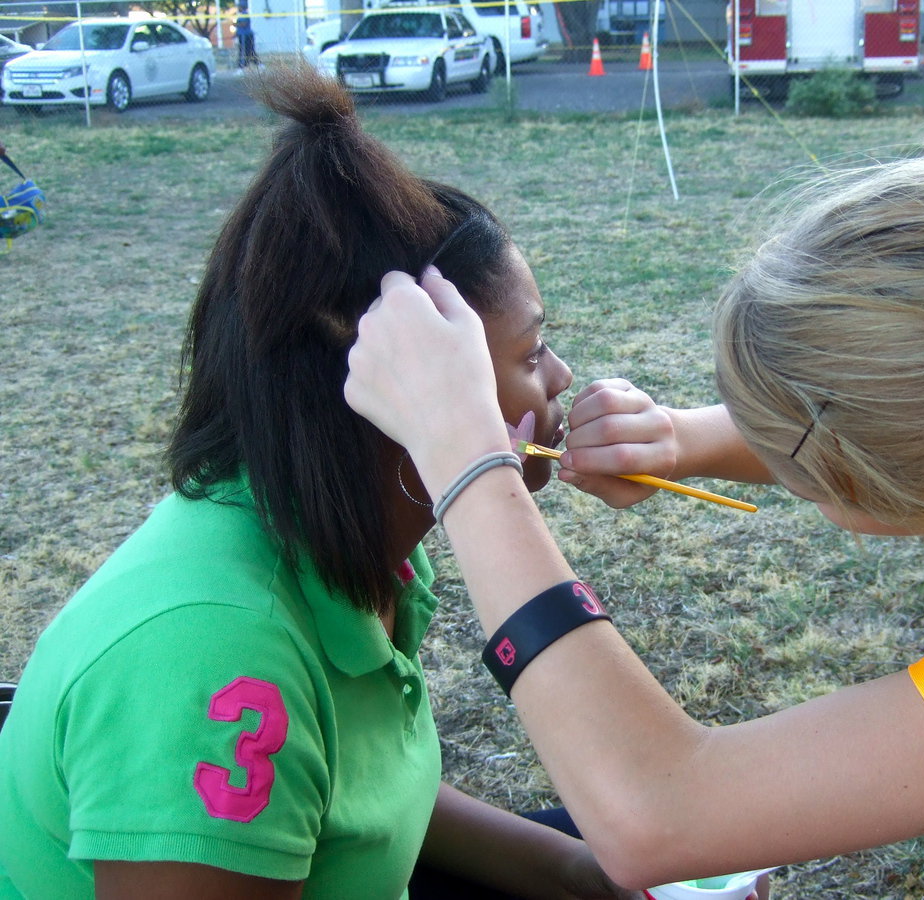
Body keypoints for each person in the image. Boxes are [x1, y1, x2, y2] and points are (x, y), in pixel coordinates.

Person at [344, 106, 924, 897]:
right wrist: (681, 438)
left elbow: (661, 812)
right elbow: (891, 431)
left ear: (921, 464)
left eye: (792, 425)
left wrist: (467, 459)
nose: (761, 438)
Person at [0, 65, 635, 900]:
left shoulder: (357, 543)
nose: (558, 377)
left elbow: (343, 794)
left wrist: (581, 873)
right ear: (396, 384)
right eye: (528, 353)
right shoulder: (215, 658)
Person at [236, 2, 259, 70]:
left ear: (242, 7)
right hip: (241, 35)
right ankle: (243, 66)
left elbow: (244, 24)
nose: (238, 8)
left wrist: (235, 24)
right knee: (244, 51)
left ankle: (243, 66)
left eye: (239, 7)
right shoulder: (240, 15)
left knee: (248, 51)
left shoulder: (245, 14)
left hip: (246, 36)